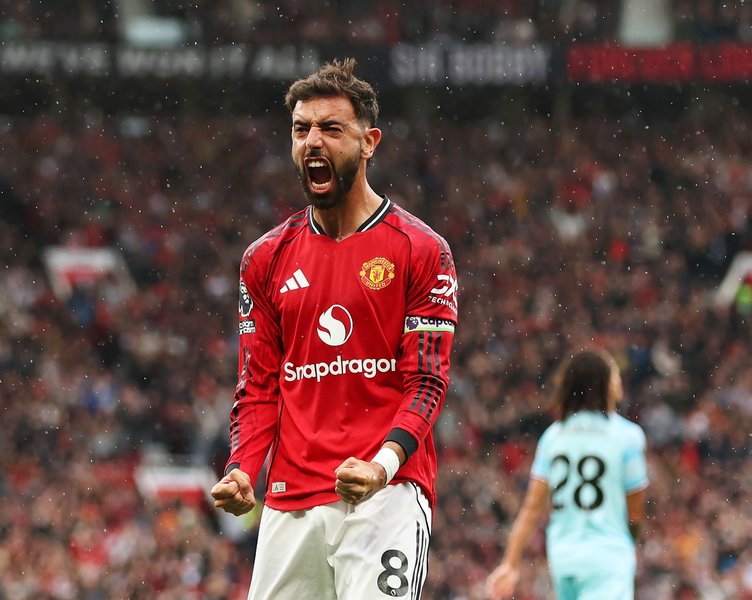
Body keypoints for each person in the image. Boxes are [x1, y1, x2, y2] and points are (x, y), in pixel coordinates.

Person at [210, 57, 458, 599]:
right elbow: (258, 387)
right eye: (301, 130)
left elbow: (427, 381)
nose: (313, 142)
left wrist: (382, 466)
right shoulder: (264, 259)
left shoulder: (421, 250)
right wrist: (243, 468)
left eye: (331, 129)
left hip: (386, 497)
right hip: (290, 501)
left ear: (369, 142)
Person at [485, 349, 648, 600]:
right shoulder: (627, 436)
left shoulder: (553, 436)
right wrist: (629, 541)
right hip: (607, 555)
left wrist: (510, 562)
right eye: (615, 375)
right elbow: (635, 512)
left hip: (563, 557)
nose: (619, 382)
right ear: (605, 384)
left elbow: (532, 508)